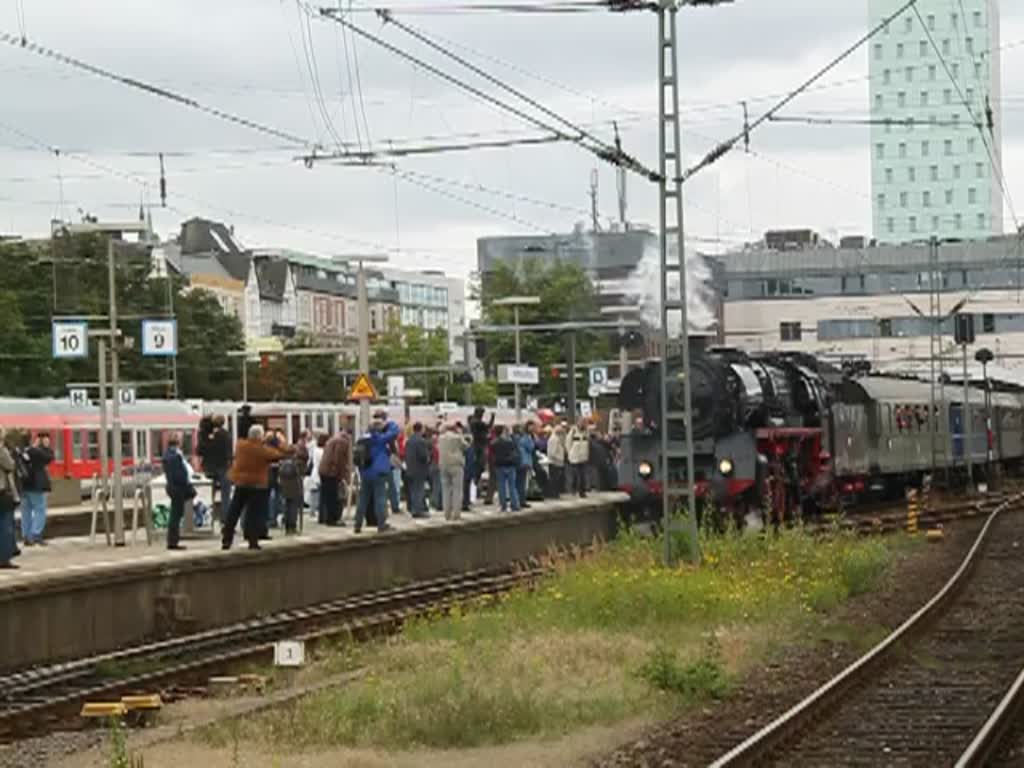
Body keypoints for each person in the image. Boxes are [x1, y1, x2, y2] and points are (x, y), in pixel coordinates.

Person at [222, 424, 291, 551]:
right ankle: (253, 541)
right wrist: (278, 442)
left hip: (240, 482)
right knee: (254, 514)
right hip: (256, 485)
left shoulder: (240, 445)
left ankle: (226, 539)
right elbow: (280, 454)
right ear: (260, 436)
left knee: (234, 510)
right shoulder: (262, 449)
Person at [354, 415, 401, 534]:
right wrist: (387, 423)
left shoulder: (362, 439)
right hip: (378, 472)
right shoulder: (378, 439)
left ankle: (357, 524)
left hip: (365, 472)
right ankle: (382, 524)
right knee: (380, 498)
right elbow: (395, 431)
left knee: (363, 499)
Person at [19, 432, 54, 546]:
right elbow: (49, 457)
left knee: (26, 512)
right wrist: (45, 446)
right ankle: (36, 534)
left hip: (24, 485)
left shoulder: (22, 451)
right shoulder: (38, 452)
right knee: (40, 510)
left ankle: (26, 536)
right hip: (36, 486)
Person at [161, 432, 192, 551]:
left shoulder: (168, 454)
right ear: (178, 443)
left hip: (173, 487)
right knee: (176, 515)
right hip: (177, 488)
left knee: (176, 514)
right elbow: (179, 474)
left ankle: (173, 540)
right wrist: (186, 482)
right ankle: (173, 541)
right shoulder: (175, 456)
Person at [318, 429, 351, 527]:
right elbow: (338, 459)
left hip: (324, 471)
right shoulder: (342, 442)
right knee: (333, 497)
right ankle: (332, 520)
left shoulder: (332, 440)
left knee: (326, 496)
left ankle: (324, 518)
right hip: (331, 473)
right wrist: (341, 474)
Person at [203, 415, 233, 518]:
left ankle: (210, 516)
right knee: (226, 494)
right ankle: (225, 517)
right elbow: (229, 452)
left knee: (210, 492)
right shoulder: (227, 435)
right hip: (224, 467)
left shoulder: (209, 435)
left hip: (211, 467)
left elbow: (204, 450)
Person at [439, 423, 469, 520]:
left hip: (443, 464)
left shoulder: (441, 438)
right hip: (456, 464)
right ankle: (456, 514)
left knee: (446, 490)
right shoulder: (457, 438)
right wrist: (461, 434)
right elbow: (466, 446)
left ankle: (446, 514)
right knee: (457, 490)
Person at [0, 428, 20, 569]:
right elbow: (10, 465)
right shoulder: (2, 451)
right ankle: (4, 558)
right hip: (2, 493)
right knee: (6, 525)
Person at [276, 443, 305, 535]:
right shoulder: (296, 463)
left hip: (285, 488)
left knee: (287, 507)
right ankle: (292, 527)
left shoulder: (282, 463)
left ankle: (287, 526)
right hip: (295, 488)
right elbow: (302, 472)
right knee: (293, 508)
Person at [468, 407, 494, 504]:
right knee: (480, 467)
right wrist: (492, 417)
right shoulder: (478, 422)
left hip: (478, 445)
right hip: (480, 445)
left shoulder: (473, 422)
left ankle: (476, 487)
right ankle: (475, 486)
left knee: (479, 467)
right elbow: (489, 426)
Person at [405, 423, 431, 518]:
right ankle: (417, 510)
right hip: (419, 469)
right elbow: (423, 456)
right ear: (421, 429)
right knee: (419, 490)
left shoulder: (409, 440)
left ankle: (414, 508)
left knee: (413, 490)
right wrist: (428, 459)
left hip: (410, 468)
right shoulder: (421, 441)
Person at [492, 425, 520, 512]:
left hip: (499, 465)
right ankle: (514, 505)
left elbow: (493, 454)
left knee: (501, 486)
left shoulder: (494, 443)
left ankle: (503, 505)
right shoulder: (511, 442)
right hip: (510, 465)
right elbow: (516, 451)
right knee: (512, 486)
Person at [515, 424, 536, 510]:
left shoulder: (516, 438)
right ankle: (522, 501)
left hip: (517, 462)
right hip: (524, 461)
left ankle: (517, 501)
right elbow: (531, 448)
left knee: (517, 483)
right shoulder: (526, 438)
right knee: (522, 483)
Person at [567, 420, 590, 498]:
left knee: (582, 475)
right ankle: (574, 489)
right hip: (574, 457)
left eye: (584, 423)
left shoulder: (586, 432)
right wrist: (570, 453)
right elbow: (568, 443)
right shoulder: (573, 432)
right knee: (577, 475)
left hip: (583, 457)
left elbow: (587, 444)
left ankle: (582, 492)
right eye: (581, 423)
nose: (582, 424)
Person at [546, 423, 567, 498]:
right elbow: (552, 452)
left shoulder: (556, 438)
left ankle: (555, 493)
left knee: (556, 479)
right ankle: (554, 494)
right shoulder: (554, 439)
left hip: (557, 462)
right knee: (554, 479)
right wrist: (559, 458)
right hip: (555, 462)